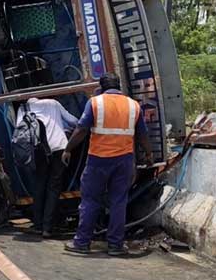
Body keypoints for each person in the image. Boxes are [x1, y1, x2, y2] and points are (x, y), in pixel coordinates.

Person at [61, 72, 153, 256]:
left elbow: (81, 129)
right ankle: (115, 245)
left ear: (101, 87)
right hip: (124, 160)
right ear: (119, 86)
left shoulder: (95, 103)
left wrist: (68, 149)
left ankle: (82, 243)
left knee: (90, 201)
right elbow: (142, 134)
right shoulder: (133, 105)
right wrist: (149, 153)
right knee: (119, 202)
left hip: (98, 159)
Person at [15, 98, 77, 238]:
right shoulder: (53, 103)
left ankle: (38, 225)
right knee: (54, 186)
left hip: (39, 150)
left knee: (39, 185)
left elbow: (19, 129)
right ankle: (48, 228)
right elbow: (74, 121)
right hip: (59, 147)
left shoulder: (23, 108)